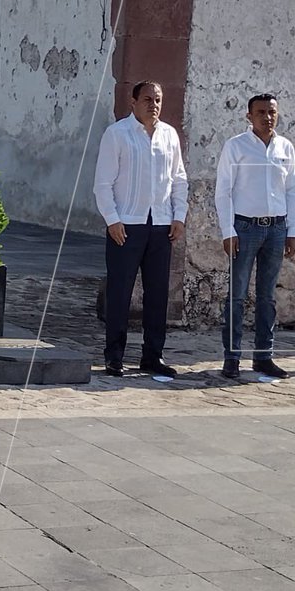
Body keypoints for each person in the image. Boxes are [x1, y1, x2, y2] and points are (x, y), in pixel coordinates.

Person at [92, 81, 188, 378]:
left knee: (157, 294)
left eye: (158, 99)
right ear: (133, 102)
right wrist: (112, 220)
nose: (153, 105)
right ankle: (114, 356)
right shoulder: (117, 134)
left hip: (161, 225)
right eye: (147, 99)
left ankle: (153, 355)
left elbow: (179, 178)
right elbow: (103, 183)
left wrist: (179, 216)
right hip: (127, 225)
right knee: (120, 293)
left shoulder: (169, 135)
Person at [215, 93, 295, 379]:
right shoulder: (236, 147)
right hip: (245, 228)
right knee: (237, 296)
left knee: (267, 297)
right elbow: (224, 190)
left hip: (276, 228)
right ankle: (232, 358)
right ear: (249, 116)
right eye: (261, 112)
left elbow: (292, 190)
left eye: (272, 112)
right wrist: (228, 230)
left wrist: (293, 230)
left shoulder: (285, 147)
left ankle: (264, 356)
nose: (267, 117)